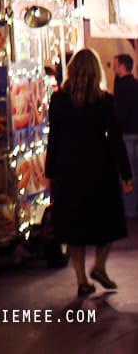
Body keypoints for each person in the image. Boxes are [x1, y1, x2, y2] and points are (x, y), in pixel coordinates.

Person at [45, 47, 133, 297]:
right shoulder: (104, 100)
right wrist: (126, 174)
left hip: (68, 168)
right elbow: (115, 139)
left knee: (74, 225)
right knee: (109, 220)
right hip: (99, 168)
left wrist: (50, 173)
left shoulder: (59, 100)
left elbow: (54, 138)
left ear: (71, 71)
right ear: (96, 72)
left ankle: (82, 278)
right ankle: (100, 266)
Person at [112, 52, 138, 220]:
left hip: (126, 133)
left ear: (122, 66)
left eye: (115, 64)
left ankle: (130, 209)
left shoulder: (120, 87)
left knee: (128, 173)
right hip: (136, 131)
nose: (113, 67)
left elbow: (118, 113)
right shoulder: (135, 84)